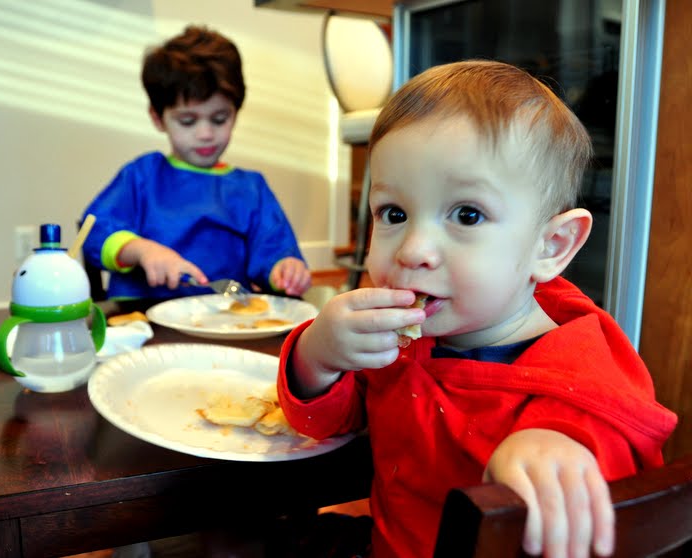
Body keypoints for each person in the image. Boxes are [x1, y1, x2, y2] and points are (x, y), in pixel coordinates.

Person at [276, 60, 677, 558]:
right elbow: (330, 421)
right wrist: (318, 357)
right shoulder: (404, 340)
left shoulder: (579, 389)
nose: (414, 250)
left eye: (467, 215)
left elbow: (617, 455)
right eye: (394, 213)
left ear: (551, 246)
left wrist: (560, 449)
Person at [82, 25, 311, 302]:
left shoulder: (251, 188)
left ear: (236, 112)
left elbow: (274, 250)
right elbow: (93, 231)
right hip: (142, 318)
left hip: (226, 317)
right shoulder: (142, 177)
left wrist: (286, 270)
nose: (205, 133)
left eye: (219, 119)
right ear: (157, 118)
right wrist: (141, 250)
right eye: (188, 121)